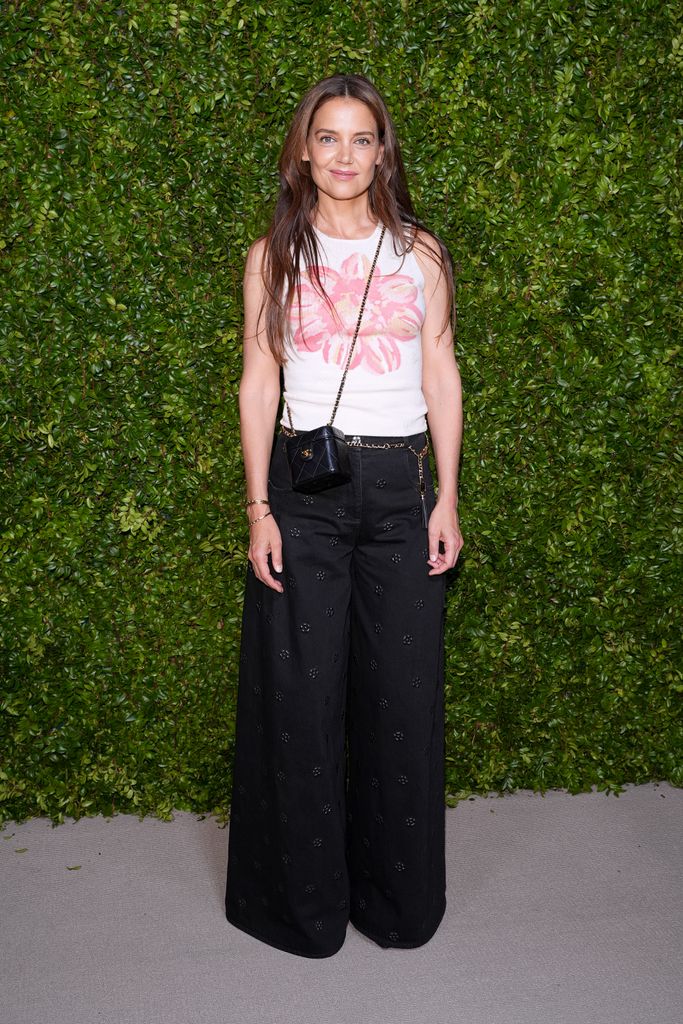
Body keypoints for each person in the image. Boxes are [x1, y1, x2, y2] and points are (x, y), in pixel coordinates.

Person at [225, 72, 463, 958]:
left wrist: (448, 494)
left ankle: (398, 906)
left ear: (382, 153)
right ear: (301, 149)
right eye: (327, 137)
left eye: (361, 139)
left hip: (402, 493)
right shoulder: (270, 257)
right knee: (301, 697)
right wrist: (258, 507)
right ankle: (300, 910)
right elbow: (258, 383)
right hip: (304, 498)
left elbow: (440, 373)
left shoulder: (421, 254)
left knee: (400, 700)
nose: (343, 156)